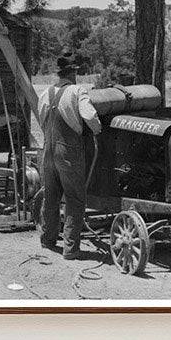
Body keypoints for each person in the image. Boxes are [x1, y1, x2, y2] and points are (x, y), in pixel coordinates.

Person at [37, 54, 102, 259]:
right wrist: (98, 129)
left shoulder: (45, 93)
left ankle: (48, 240)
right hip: (68, 152)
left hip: (47, 151)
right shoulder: (76, 91)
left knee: (51, 196)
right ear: (73, 73)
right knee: (74, 197)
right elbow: (90, 116)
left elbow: (41, 120)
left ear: (59, 74)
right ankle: (70, 248)